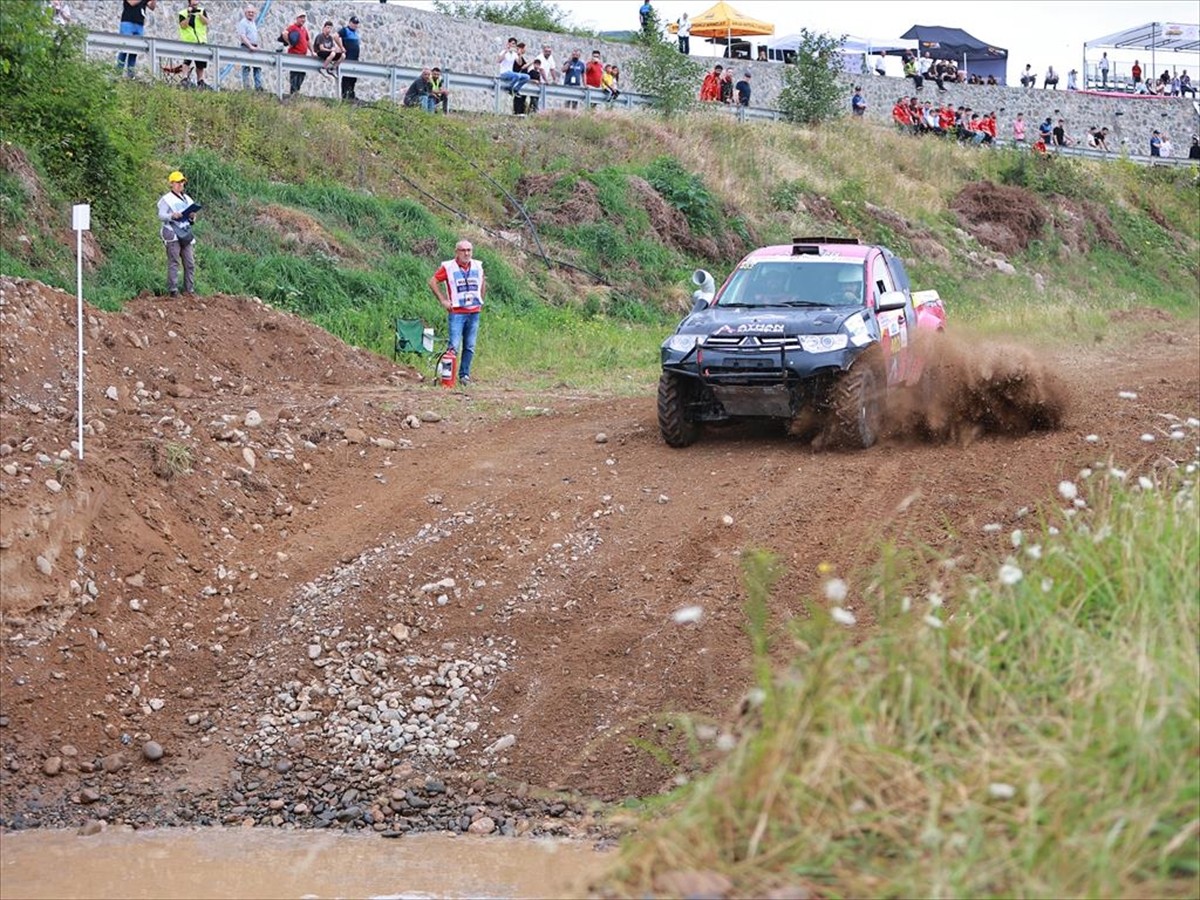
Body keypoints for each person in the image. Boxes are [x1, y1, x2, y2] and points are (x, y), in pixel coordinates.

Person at [428, 240, 485, 387]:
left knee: (470, 346)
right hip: (457, 312)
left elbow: (482, 282)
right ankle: (448, 377)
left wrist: (481, 300)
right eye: (463, 250)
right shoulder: (448, 267)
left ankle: (464, 376)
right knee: (453, 346)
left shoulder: (478, 265)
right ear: (457, 252)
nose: (466, 253)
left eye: (469, 250)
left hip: (474, 311)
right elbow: (433, 281)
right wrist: (443, 300)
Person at [158, 171, 198, 298]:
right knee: (174, 261)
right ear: (172, 184)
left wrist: (192, 217)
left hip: (185, 232)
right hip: (172, 231)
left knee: (190, 262)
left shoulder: (187, 199)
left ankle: (189, 290)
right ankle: (173, 290)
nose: (181, 185)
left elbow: (192, 219)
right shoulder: (166, 199)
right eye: (178, 182)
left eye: (182, 182)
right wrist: (172, 215)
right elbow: (161, 215)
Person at [117, 0, 156, 77]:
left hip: (139, 24)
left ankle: (131, 75)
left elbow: (152, 7)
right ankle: (118, 73)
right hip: (127, 22)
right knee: (124, 48)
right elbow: (132, 3)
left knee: (135, 51)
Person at [177, 0, 210, 89]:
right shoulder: (183, 13)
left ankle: (201, 81)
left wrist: (199, 15)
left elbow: (206, 22)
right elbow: (183, 25)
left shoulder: (202, 11)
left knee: (200, 64)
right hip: (189, 41)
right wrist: (189, 14)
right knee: (187, 61)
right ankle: (184, 78)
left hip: (201, 41)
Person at [236, 6, 264, 92]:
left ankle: (258, 87)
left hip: (254, 46)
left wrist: (256, 46)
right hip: (246, 47)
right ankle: (247, 88)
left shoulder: (253, 22)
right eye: (249, 12)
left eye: (252, 12)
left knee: (257, 67)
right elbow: (243, 36)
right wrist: (250, 46)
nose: (251, 14)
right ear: (245, 13)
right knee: (246, 68)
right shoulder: (243, 23)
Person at [283, 11, 310, 96]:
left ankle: (296, 91)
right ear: (297, 18)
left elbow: (308, 41)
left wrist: (312, 51)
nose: (303, 19)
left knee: (302, 74)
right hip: (295, 55)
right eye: (301, 17)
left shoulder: (304, 29)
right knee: (295, 74)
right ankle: (293, 92)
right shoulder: (293, 27)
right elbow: (284, 33)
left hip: (303, 56)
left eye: (304, 18)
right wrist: (289, 43)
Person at [338, 15, 362, 101]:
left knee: (353, 78)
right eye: (354, 23)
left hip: (355, 59)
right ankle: (345, 96)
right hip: (348, 58)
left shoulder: (356, 33)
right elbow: (336, 36)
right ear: (350, 22)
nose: (355, 25)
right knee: (346, 78)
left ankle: (351, 94)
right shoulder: (345, 30)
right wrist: (341, 47)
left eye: (356, 24)